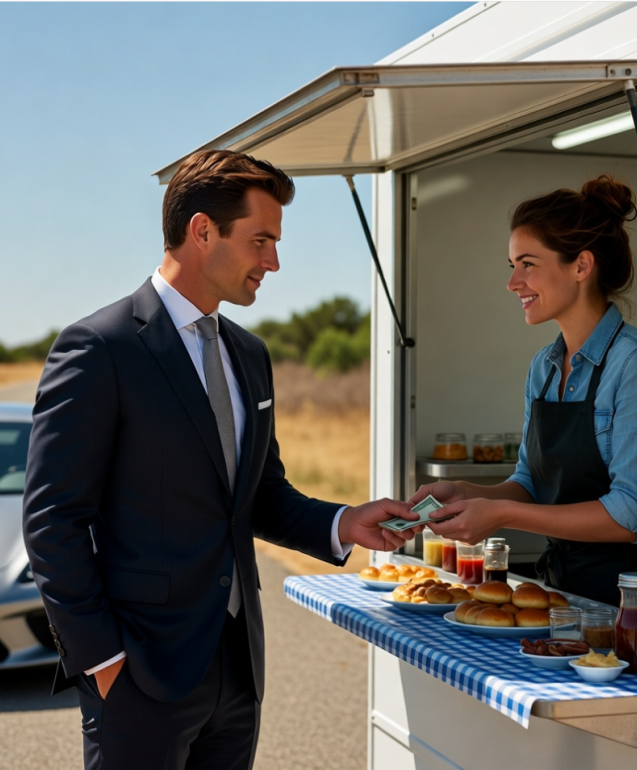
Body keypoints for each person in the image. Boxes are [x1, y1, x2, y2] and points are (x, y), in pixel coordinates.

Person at [22, 149, 417, 770]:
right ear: (202, 230)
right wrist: (101, 658)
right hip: (138, 674)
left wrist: (345, 522)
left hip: (237, 672)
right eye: (261, 240)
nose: (274, 262)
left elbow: (258, 496)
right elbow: (52, 521)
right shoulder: (99, 348)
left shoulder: (249, 355)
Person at [413, 175, 637, 606]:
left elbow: (631, 515)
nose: (513, 282)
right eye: (512, 266)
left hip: (632, 605)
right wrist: (470, 493)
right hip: (560, 594)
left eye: (527, 264)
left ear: (581, 266)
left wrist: (502, 513)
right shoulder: (544, 366)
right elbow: (530, 482)